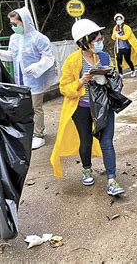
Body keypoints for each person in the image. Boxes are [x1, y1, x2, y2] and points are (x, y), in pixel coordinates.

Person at [50, 19, 125, 196]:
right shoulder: (72, 61)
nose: (100, 42)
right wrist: (81, 81)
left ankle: (112, 180)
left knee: (107, 142)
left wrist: (113, 79)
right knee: (86, 140)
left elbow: (115, 81)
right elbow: (64, 88)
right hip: (82, 107)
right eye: (96, 40)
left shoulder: (105, 57)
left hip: (104, 106)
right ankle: (86, 169)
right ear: (84, 41)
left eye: (100, 39)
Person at [0, 7, 57, 150]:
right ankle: (30, 133)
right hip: (21, 79)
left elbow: (48, 57)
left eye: (15, 24)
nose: (13, 27)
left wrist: (38, 66)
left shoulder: (38, 38)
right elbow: (12, 56)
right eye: (11, 24)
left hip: (35, 80)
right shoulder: (14, 38)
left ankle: (39, 134)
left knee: (36, 107)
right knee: (25, 107)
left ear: (24, 21)